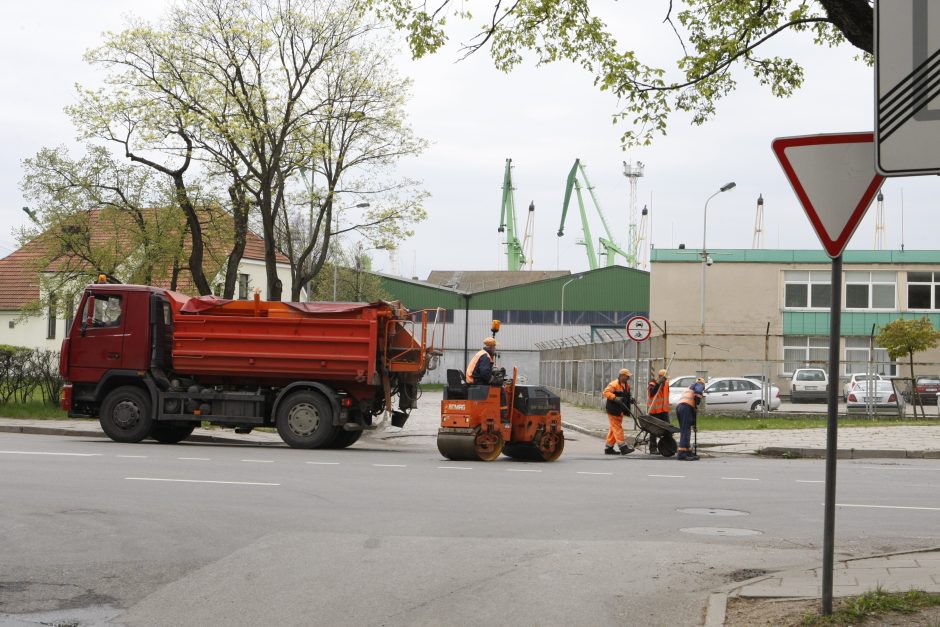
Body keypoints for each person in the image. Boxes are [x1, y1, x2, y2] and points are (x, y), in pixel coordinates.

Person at [602, 368, 635, 455]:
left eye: (628, 376)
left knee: (614, 429)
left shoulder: (626, 385)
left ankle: (608, 448)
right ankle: (623, 447)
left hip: (620, 410)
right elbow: (605, 392)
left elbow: (627, 395)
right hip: (613, 409)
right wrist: (615, 398)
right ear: (622, 376)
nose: (628, 377)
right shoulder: (614, 384)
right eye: (627, 376)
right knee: (617, 428)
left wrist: (630, 399)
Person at [675, 379, 705, 461]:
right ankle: (682, 454)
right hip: (685, 407)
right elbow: (698, 392)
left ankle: (687, 451)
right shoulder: (699, 385)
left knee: (685, 429)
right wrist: (698, 400)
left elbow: (693, 412)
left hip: (680, 407)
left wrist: (694, 424)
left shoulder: (690, 387)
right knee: (686, 430)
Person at [646, 368, 671, 454]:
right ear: (660, 377)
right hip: (655, 411)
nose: (665, 380)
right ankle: (653, 448)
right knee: (654, 431)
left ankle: (668, 446)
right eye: (663, 378)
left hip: (664, 410)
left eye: (666, 379)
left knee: (668, 429)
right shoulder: (652, 383)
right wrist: (658, 383)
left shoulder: (666, 384)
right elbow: (652, 393)